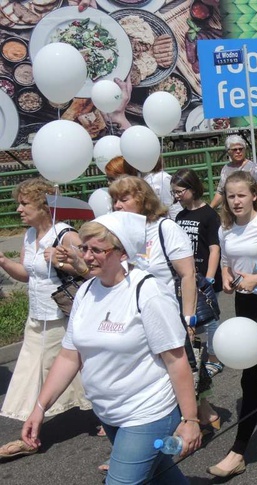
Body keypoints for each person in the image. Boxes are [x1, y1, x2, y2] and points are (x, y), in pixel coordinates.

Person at [21, 211, 201, 484]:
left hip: (147, 412)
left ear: (122, 253)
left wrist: (190, 420)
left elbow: (177, 361)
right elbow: (70, 356)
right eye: (84, 248)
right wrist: (39, 407)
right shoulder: (86, 291)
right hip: (108, 412)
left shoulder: (148, 292)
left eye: (97, 250)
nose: (87, 256)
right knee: (163, 478)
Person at [108, 177, 218, 427]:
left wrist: (188, 320)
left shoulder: (164, 228)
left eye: (123, 199)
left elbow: (187, 274)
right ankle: (202, 413)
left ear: (142, 199)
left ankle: (183, 425)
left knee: (175, 372)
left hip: (168, 314)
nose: (117, 205)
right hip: (135, 316)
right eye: (114, 200)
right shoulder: (118, 233)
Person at [0, 178, 90, 459]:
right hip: (36, 317)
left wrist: (63, 260)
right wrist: (3, 261)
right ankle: (103, 411)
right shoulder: (29, 236)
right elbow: (26, 275)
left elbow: (89, 269)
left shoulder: (65, 234)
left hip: (60, 317)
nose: (18, 209)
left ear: (43, 206)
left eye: (24, 203)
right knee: (35, 375)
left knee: (54, 374)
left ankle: (31, 436)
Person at [208, 171, 257, 478]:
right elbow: (225, 260)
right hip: (244, 304)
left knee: (252, 378)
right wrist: (225, 274)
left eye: (241, 195)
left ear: (253, 195)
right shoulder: (225, 229)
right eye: (231, 195)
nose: (236, 201)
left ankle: (238, 452)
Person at [171, 169, 223, 378]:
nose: (176, 196)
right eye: (173, 192)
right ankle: (197, 356)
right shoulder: (180, 216)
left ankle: (215, 358)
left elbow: (214, 248)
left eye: (179, 191)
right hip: (186, 277)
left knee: (210, 319)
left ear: (192, 188)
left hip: (205, 278)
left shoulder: (209, 215)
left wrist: (209, 278)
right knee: (191, 318)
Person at [209, 135, 257, 209]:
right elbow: (221, 192)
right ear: (228, 152)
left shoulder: (253, 168)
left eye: (240, 149)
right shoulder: (226, 169)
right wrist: (210, 208)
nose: (238, 152)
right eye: (234, 150)